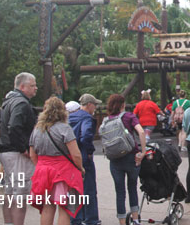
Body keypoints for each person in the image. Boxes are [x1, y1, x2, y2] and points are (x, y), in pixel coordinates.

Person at [29, 97, 84, 225]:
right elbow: (76, 154)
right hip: (63, 173)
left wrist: (41, 167)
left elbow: (32, 154)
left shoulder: (37, 129)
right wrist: (80, 168)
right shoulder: (65, 128)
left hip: (43, 173)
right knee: (64, 208)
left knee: (47, 208)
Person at [0, 72, 38, 225]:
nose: (36, 88)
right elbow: (14, 126)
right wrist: (24, 148)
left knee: (9, 192)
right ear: (22, 86)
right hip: (16, 154)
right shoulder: (21, 103)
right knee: (20, 195)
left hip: (5, 152)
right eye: (32, 85)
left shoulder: (8, 101)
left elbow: (4, 125)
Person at [106, 94, 147, 225]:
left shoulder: (107, 120)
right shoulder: (129, 116)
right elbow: (140, 132)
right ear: (123, 104)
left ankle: (122, 222)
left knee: (120, 192)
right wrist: (143, 152)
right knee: (132, 188)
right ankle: (135, 219)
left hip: (115, 160)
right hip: (131, 157)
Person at [69, 94, 103, 225]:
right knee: (89, 189)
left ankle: (76, 218)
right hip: (83, 155)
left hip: (71, 157)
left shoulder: (70, 117)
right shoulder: (87, 118)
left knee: (74, 189)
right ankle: (91, 219)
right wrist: (89, 151)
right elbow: (86, 136)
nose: (95, 108)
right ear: (89, 104)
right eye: (95, 105)